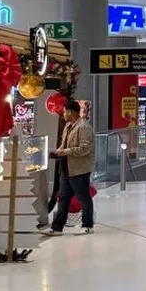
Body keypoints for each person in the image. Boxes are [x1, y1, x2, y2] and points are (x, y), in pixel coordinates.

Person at [45, 100, 96, 236]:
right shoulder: (68, 126)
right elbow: (64, 145)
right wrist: (57, 152)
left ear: (71, 112)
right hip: (66, 169)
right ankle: (57, 227)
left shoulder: (84, 127)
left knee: (83, 197)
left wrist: (65, 152)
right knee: (63, 198)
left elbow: (85, 148)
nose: (63, 113)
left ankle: (87, 225)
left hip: (79, 170)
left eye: (64, 111)